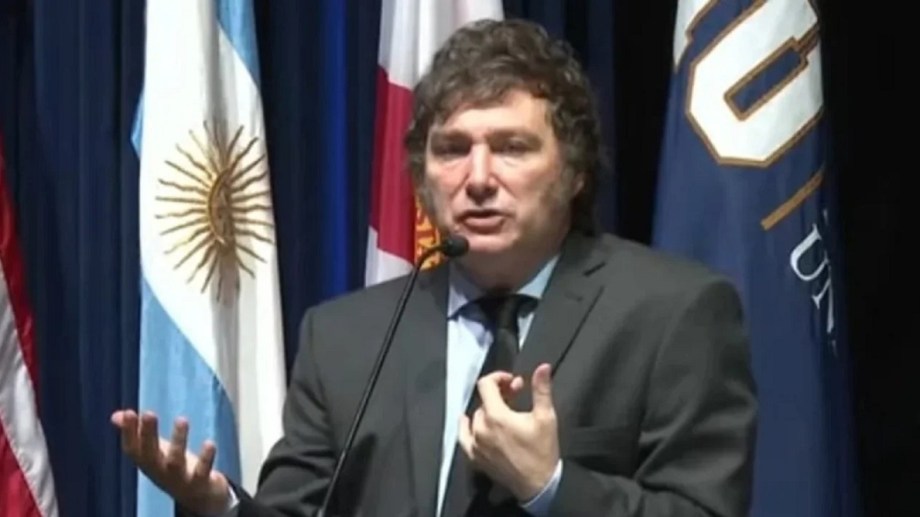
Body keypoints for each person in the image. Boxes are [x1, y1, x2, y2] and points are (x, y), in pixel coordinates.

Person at [112, 18, 757, 517]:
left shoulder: (674, 312)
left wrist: (552, 486)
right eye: (452, 150)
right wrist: (218, 505)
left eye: (511, 148)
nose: (478, 179)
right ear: (422, 178)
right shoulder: (345, 338)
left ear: (574, 171)